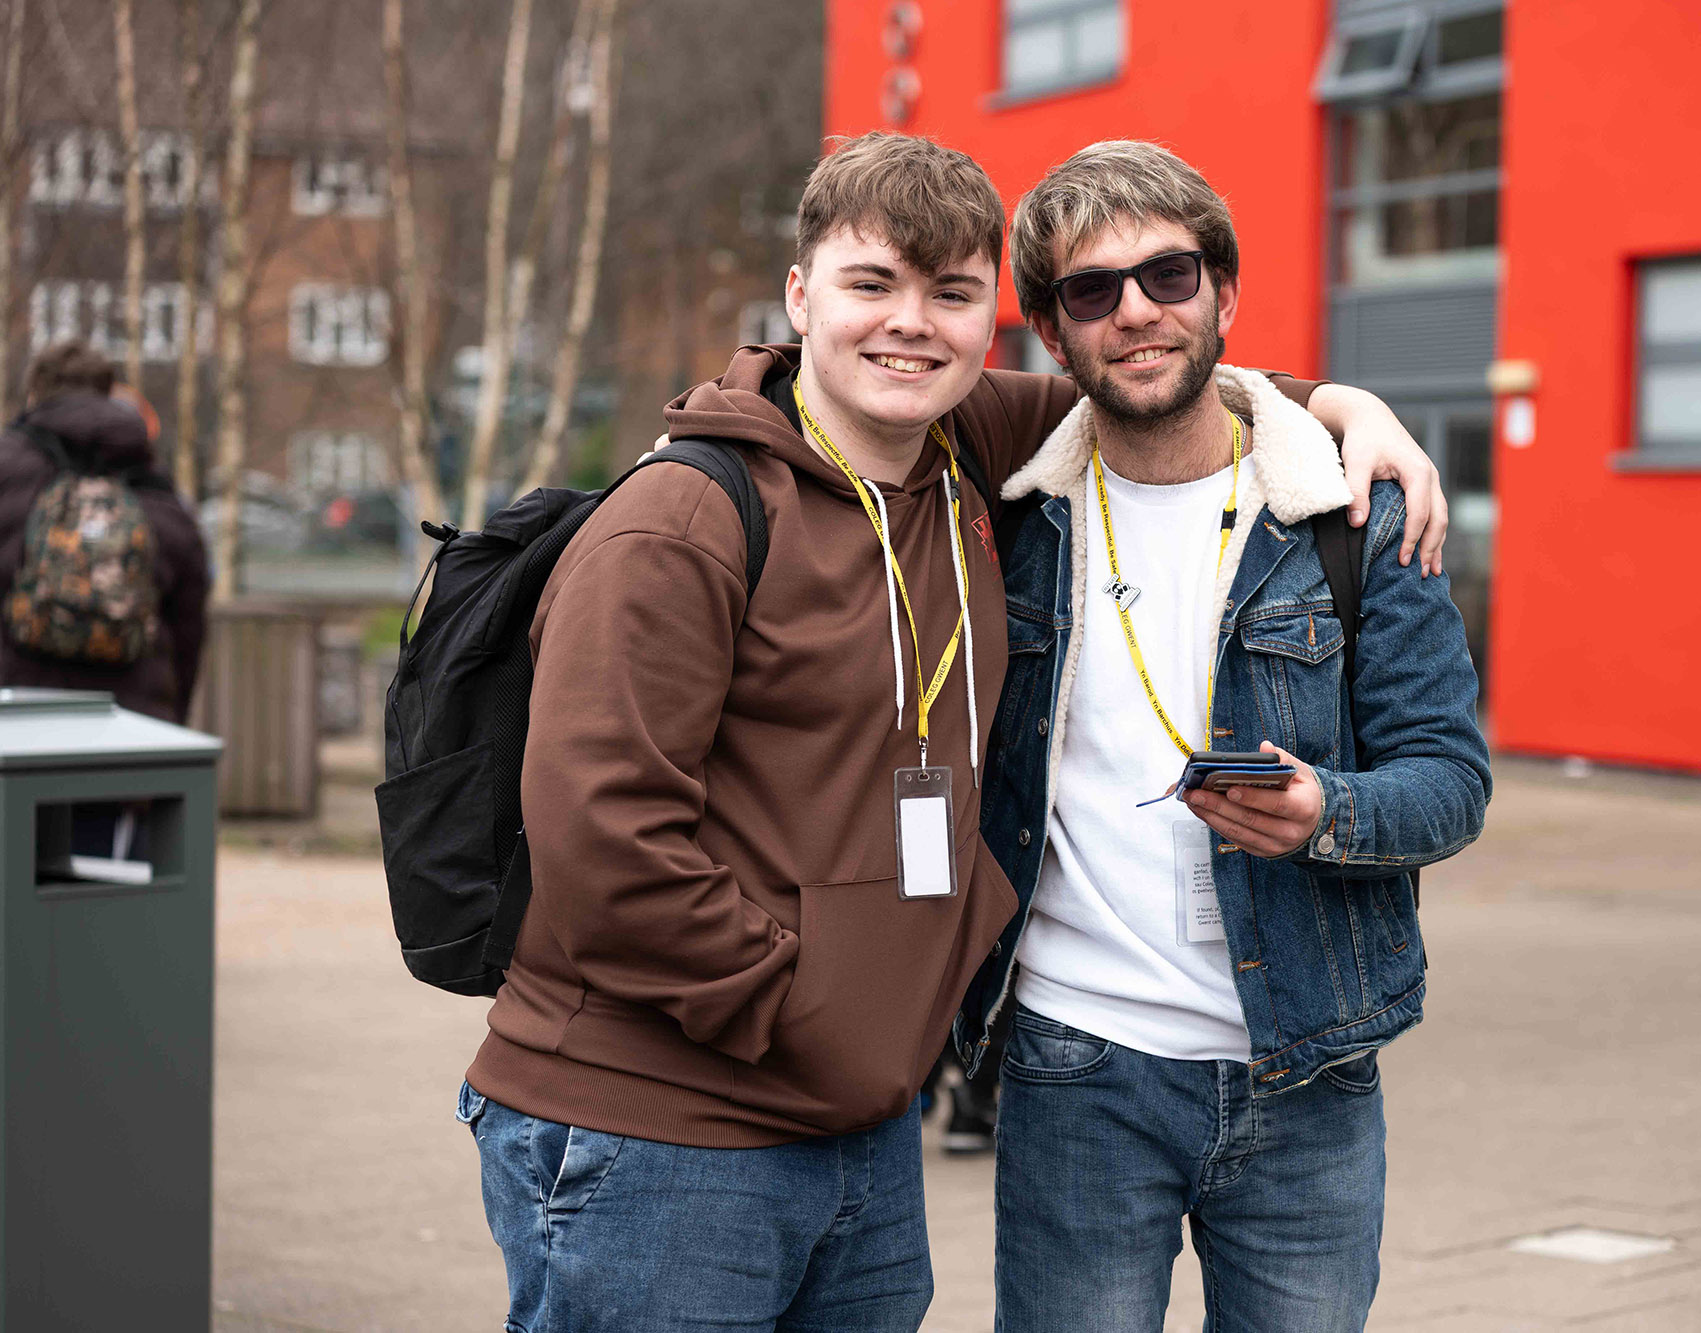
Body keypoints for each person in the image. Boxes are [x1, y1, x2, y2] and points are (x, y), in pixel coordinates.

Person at [457, 132, 1446, 1333]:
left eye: (949, 294)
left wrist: (1350, 407)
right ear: (799, 295)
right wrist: (813, 1015)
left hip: (866, 1132)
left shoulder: (966, 450)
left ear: (991, 329)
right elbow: (603, 842)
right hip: (661, 1129)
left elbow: (1174, 378)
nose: (909, 325)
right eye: (871, 283)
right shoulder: (685, 520)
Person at [960, 141, 1493, 1331]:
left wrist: (1327, 812)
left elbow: (1450, 780)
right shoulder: (1012, 520)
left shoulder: (1354, 511)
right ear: (1048, 331)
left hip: (1308, 1062)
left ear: (1224, 293)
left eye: (1168, 274)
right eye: (1090, 290)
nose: (1135, 311)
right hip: (1075, 1065)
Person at [0, 341, 210, 725]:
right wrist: (173, 717)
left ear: (33, 394)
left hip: (17, 724)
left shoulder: (7, 467)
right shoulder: (149, 475)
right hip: (132, 727)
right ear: (108, 392)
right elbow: (188, 619)